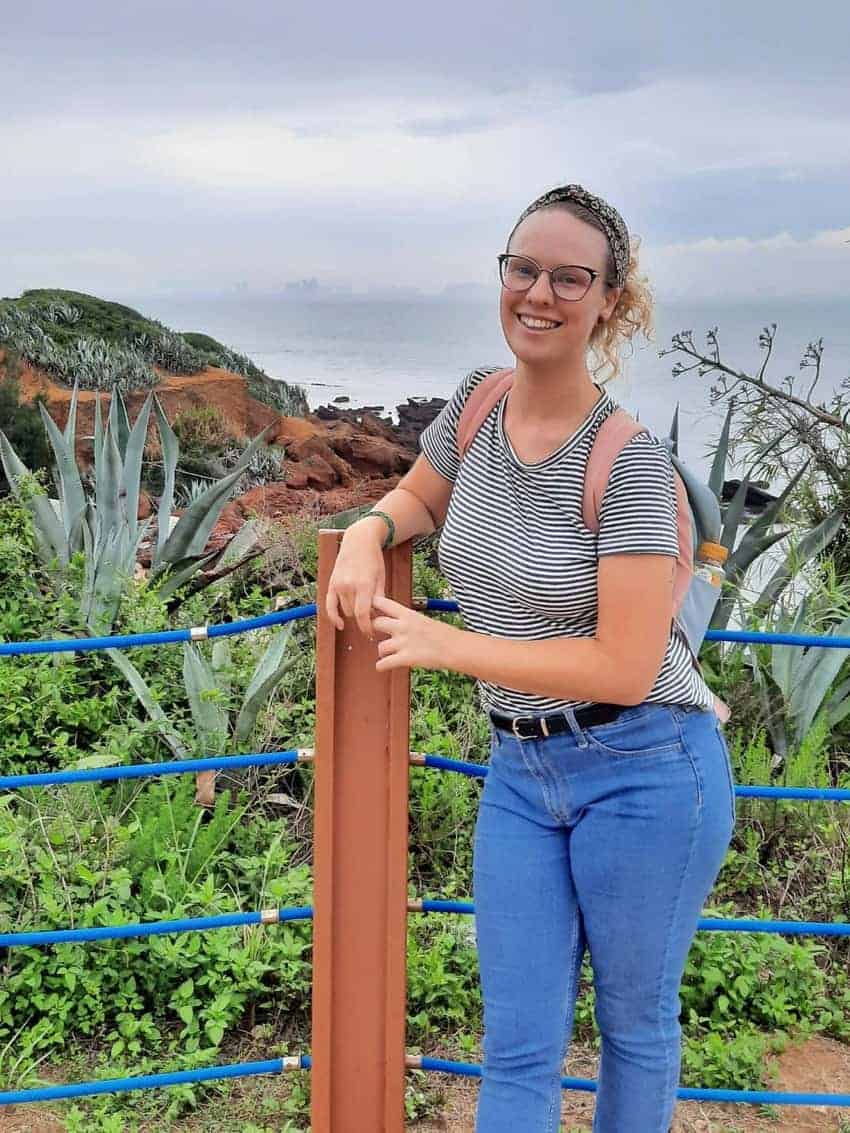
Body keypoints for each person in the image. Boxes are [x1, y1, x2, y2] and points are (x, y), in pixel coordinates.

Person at [325, 183, 736, 1133]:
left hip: (647, 765)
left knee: (633, 1027)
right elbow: (424, 499)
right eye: (522, 268)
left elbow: (628, 665)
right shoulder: (477, 402)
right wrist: (365, 531)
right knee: (513, 1043)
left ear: (609, 303)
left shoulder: (627, 460)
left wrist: (446, 643)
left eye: (568, 277)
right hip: (521, 768)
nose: (537, 293)